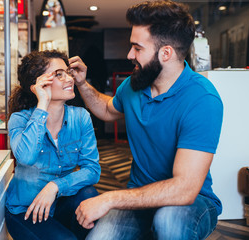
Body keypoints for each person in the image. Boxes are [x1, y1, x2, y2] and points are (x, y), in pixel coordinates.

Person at [69, 1, 223, 239]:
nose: (129, 55)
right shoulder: (135, 84)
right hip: (140, 196)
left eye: (137, 48)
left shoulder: (202, 99)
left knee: (168, 219)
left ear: (166, 53)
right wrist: (81, 83)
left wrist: (109, 198)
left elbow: (185, 189)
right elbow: (108, 111)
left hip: (192, 202)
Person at [5, 50, 101, 240]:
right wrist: (42, 104)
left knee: (89, 195)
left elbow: (92, 169)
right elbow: (26, 157)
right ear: (39, 84)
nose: (69, 78)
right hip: (26, 210)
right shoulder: (19, 120)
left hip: (60, 202)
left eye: (68, 72)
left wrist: (55, 186)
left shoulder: (80, 117)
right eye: (59, 74)